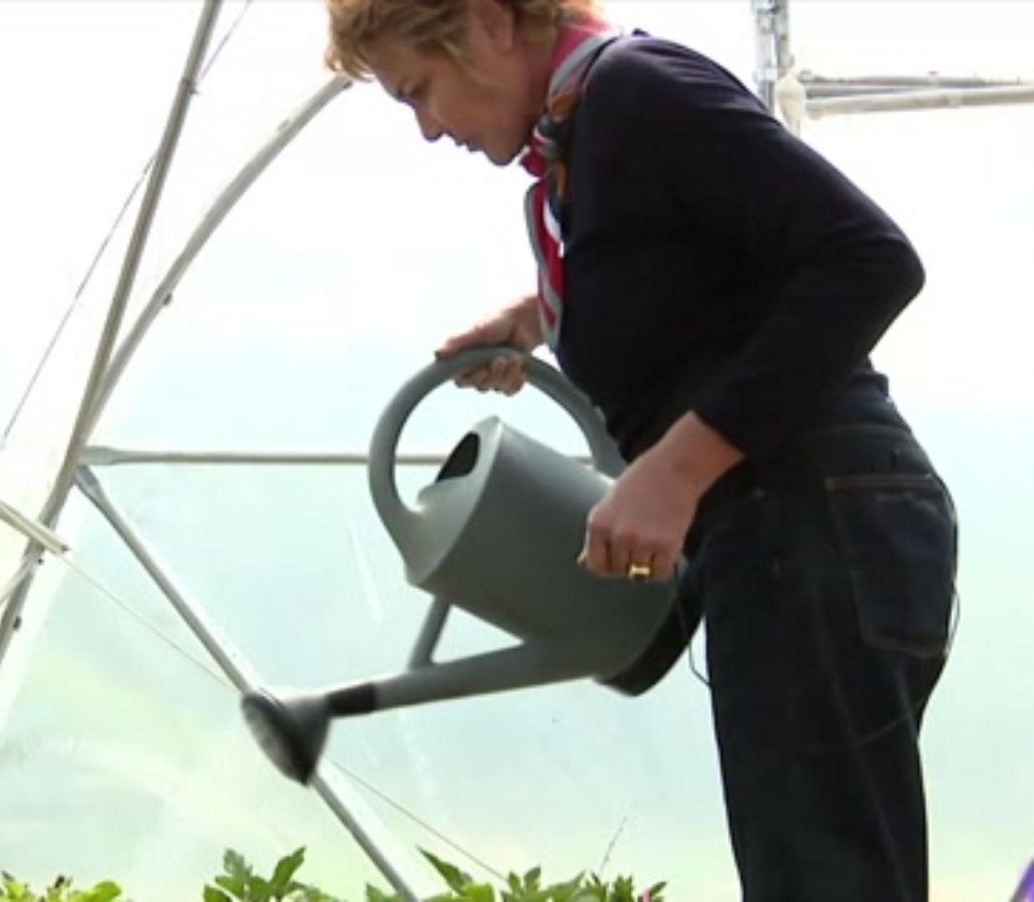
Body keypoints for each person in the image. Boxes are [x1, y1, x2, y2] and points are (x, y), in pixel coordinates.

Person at [321, 0, 960, 899]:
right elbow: (708, 272)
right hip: (795, 527)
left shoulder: (638, 91)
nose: (428, 128)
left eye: (418, 91)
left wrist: (677, 468)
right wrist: (543, 316)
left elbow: (869, 258)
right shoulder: (586, 141)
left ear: (487, 23)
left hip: (810, 515)